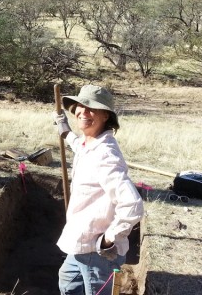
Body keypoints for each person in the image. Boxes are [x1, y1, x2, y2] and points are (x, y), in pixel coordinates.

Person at [54, 84, 143, 295]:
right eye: (79, 106)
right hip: (80, 243)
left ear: (105, 116)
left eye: (91, 108)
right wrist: (65, 132)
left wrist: (109, 238)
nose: (83, 112)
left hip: (97, 251)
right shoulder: (91, 143)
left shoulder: (105, 155)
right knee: (68, 283)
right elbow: (81, 147)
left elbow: (133, 205)